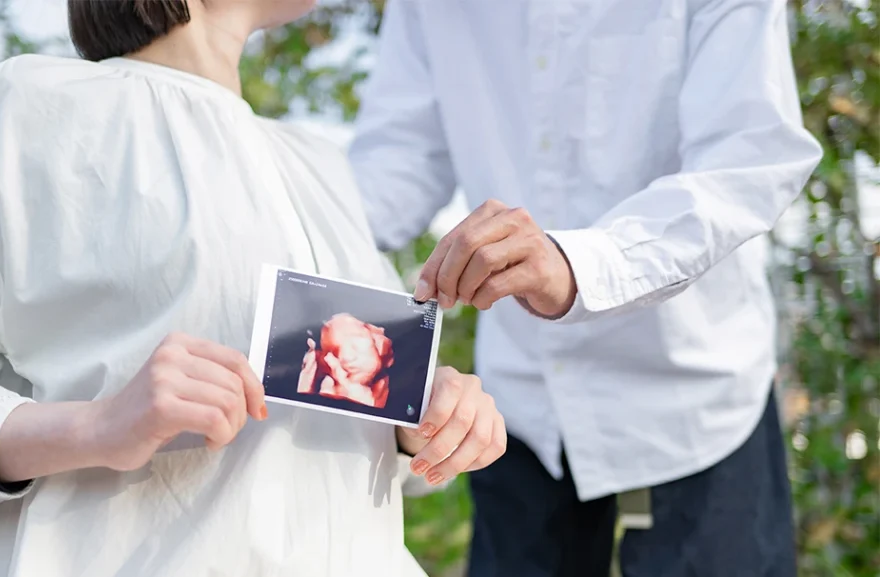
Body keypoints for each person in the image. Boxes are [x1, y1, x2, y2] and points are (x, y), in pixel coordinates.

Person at [0, 1, 508, 576]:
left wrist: (424, 421)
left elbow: (340, 436)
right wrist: (96, 425)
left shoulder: (322, 168)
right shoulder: (37, 104)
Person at [348, 1, 822, 576]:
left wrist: (578, 265)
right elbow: (397, 163)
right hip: (520, 405)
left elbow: (748, 156)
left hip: (696, 399)